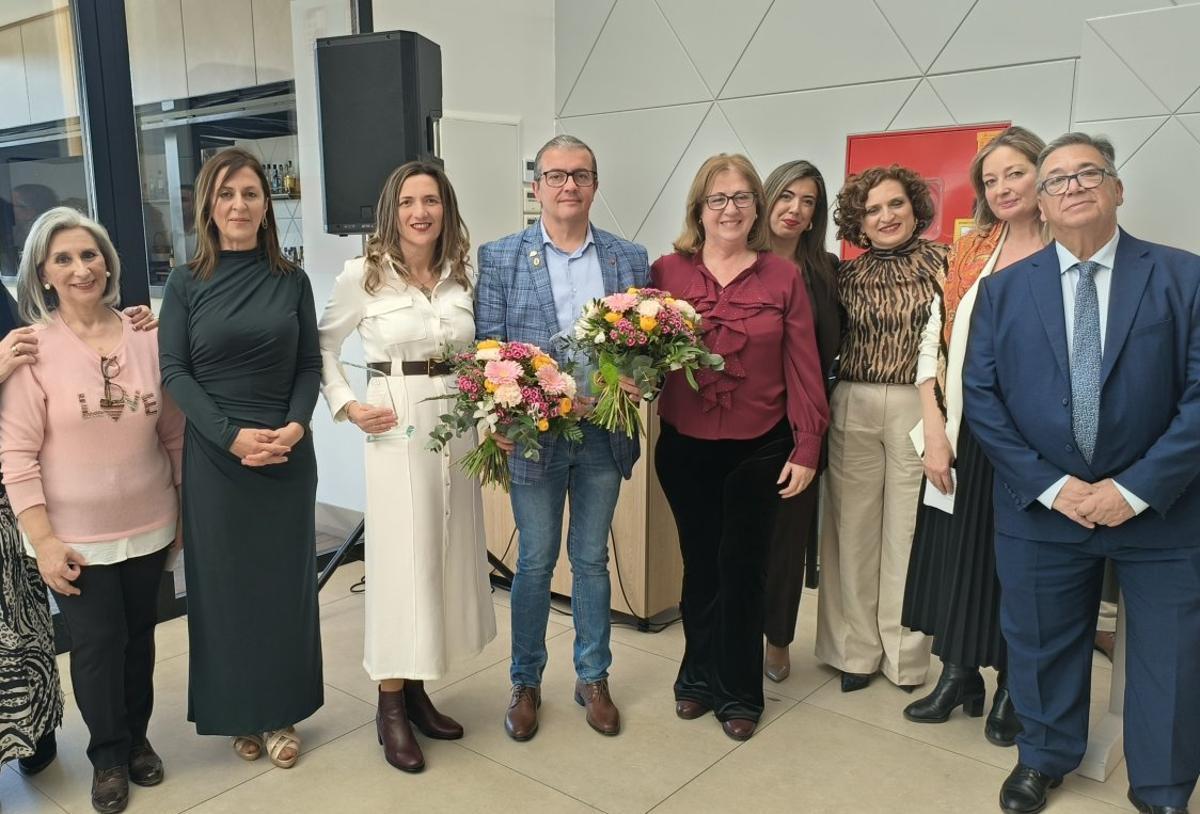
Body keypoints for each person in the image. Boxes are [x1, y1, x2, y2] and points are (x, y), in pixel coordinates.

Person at [964, 132, 1200, 814]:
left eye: (1087, 173)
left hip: (1164, 507)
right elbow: (982, 396)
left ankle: (1161, 787)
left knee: (1173, 656)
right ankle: (1042, 757)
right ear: (1040, 201)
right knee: (1039, 642)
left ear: (1117, 189)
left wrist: (1134, 490)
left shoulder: (1183, 277)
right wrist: (1051, 485)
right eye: (1057, 179)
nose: (1072, 187)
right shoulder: (1003, 291)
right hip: (1043, 508)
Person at [0, 207, 183, 814]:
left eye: (89, 255)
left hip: (150, 520)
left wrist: (183, 511)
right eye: (63, 259)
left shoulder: (148, 337)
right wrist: (44, 542)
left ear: (108, 263)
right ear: (43, 275)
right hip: (74, 536)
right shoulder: (32, 350)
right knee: (98, 646)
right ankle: (107, 755)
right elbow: (18, 457)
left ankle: (137, 741)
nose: (81, 268)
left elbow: (174, 435)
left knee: (138, 641)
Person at [318, 161, 496, 773]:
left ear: (446, 209)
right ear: (390, 211)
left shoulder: (458, 278)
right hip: (395, 424)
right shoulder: (360, 277)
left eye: (432, 201)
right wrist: (346, 403)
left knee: (442, 557)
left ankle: (419, 690)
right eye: (408, 202)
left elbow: (480, 353)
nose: (420, 212)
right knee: (400, 566)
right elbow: (322, 345)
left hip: (458, 423)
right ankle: (388, 706)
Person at [475, 134, 648, 741]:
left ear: (595, 185)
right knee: (534, 561)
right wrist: (498, 416)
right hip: (535, 437)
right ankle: (525, 682)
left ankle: (593, 676)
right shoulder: (499, 257)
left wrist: (636, 383)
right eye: (556, 175)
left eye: (580, 175)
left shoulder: (629, 257)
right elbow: (488, 348)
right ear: (536, 187)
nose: (568, 185)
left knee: (591, 560)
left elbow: (645, 348)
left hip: (603, 434)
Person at [652, 153, 829, 741]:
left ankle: (739, 691)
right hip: (685, 447)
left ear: (756, 207)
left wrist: (807, 447)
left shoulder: (783, 277)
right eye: (717, 198)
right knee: (700, 566)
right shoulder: (666, 273)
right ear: (699, 209)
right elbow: (642, 358)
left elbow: (803, 367)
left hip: (760, 447)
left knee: (744, 568)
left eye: (741, 198)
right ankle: (696, 679)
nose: (730, 209)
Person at [159, 147, 323, 769]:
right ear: (209, 203)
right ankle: (237, 713)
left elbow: (308, 363)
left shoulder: (291, 278)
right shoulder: (185, 281)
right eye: (226, 194)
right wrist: (229, 435)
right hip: (217, 457)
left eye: (250, 193)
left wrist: (295, 426)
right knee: (225, 589)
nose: (239, 205)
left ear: (266, 203)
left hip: (283, 455)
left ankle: (280, 712)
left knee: (283, 589)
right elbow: (174, 370)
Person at [900, 126, 1047, 748]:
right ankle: (958, 674)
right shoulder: (970, 250)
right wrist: (934, 429)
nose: (1003, 187)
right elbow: (932, 341)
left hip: (1036, 442)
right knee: (954, 555)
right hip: (963, 430)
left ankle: (1016, 682)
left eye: (1015, 172)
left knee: (1021, 567)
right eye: (990, 179)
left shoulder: (1069, 249)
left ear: (1044, 173)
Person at [815, 165, 946, 693]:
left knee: (909, 534)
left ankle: (905, 659)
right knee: (852, 530)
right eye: (872, 210)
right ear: (858, 223)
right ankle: (854, 651)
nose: (885, 216)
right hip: (854, 399)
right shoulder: (845, 275)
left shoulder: (945, 264)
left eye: (895, 204)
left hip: (921, 406)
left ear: (915, 208)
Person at [760, 160, 841, 683]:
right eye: (787, 196)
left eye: (808, 201)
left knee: (787, 543)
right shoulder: (739, 263)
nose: (795, 209)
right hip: (744, 421)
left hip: (802, 426)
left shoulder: (827, 271)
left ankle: (778, 638)